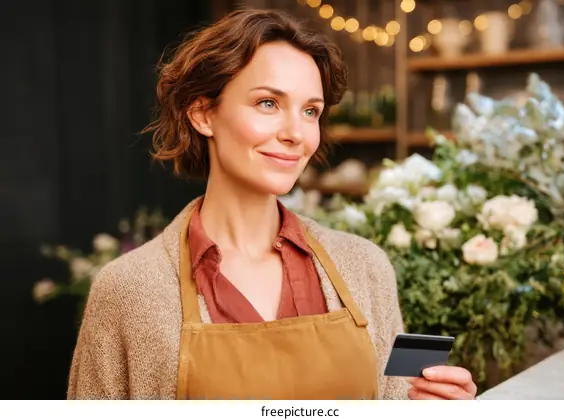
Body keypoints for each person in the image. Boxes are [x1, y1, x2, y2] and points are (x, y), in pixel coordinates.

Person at [67, 8, 477, 400]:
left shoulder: (365, 268)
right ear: (203, 114)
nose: (296, 133)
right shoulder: (129, 290)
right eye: (268, 103)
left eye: (310, 111)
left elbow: (394, 405)